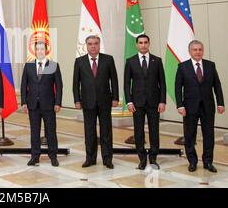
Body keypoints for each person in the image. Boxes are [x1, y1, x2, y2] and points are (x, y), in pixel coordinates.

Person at [175, 40, 225, 173]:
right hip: (189, 107)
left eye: (200, 49)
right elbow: (177, 88)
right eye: (195, 50)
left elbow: (217, 86)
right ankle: (192, 161)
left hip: (208, 106)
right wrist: (180, 105)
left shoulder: (210, 65)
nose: (198, 52)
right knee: (190, 135)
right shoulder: (182, 67)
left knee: (209, 135)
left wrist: (220, 102)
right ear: (190, 51)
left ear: (203, 51)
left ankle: (208, 162)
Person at [73, 35, 119, 169]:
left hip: (105, 101)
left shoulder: (108, 59)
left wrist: (115, 97)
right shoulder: (80, 61)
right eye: (90, 44)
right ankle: (90, 159)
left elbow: (114, 80)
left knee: (106, 132)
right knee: (89, 132)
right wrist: (77, 99)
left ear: (99, 45)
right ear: (86, 46)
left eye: (95, 44)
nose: (93, 46)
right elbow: (76, 83)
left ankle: (107, 159)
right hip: (87, 102)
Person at [124, 35, 166, 170]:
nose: (143, 45)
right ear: (137, 44)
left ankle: (153, 158)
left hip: (154, 103)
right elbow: (126, 84)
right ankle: (142, 158)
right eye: (140, 43)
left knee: (154, 131)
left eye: (145, 42)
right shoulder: (130, 61)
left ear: (149, 44)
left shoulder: (157, 61)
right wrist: (129, 102)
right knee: (138, 131)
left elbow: (163, 83)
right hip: (137, 103)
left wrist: (162, 101)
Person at [21, 41, 63, 167]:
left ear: (46, 50)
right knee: (34, 131)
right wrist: (23, 102)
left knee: (51, 131)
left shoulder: (53, 65)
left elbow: (59, 86)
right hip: (33, 105)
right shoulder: (28, 66)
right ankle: (35, 156)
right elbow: (24, 85)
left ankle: (53, 156)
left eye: (42, 49)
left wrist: (58, 102)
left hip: (49, 105)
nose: (40, 51)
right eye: (37, 49)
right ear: (35, 51)